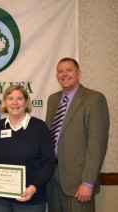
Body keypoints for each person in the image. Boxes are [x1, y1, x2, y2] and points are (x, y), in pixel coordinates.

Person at [45, 57, 110, 212]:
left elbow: (97, 145)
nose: (64, 74)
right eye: (60, 71)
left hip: (78, 181)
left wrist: (88, 183)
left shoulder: (94, 99)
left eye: (69, 70)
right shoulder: (53, 99)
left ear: (79, 74)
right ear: (56, 76)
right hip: (52, 179)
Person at [0, 85, 56, 212]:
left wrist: (34, 187)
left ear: (26, 103)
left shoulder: (39, 127)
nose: (14, 102)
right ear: (5, 103)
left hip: (30, 199)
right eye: (10, 99)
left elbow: (49, 164)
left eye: (19, 98)